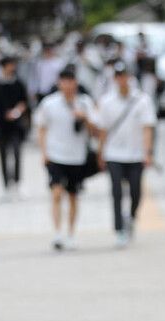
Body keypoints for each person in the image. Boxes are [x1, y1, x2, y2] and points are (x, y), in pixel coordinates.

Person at [35, 66, 98, 250]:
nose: (68, 85)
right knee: (56, 193)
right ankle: (57, 233)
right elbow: (41, 128)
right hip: (55, 155)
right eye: (64, 82)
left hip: (77, 156)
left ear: (76, 83)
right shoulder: (49, 103)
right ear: (59, 83)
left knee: (73, 195)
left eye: (71, 81)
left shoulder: (85, 102)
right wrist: (44, 153)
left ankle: (71, 234)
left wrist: (84, 118)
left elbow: (96, 131)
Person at [96, 61, 156, 247]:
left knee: (136, 191)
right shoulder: (106, 101)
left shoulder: (142, 100)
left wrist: (147, 152)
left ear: (129, 77)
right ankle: (119, 228)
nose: (122, 79)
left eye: (124, 75)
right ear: (115, 78)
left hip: (136, 154)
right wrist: (100, 152)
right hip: (113, 153)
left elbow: (147, 128)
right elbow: (103, 129)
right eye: (118, 76)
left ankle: (131, 217)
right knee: (116, 191)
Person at [0, 55, 28, 201]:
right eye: (9, 64)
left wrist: (16, 112)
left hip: (16, 125)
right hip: (0, 125)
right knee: (2, 155)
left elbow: (24, 102)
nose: (12, 67)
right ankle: (6, 186)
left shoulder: (18, 83)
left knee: (17, 153)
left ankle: (17, 183)